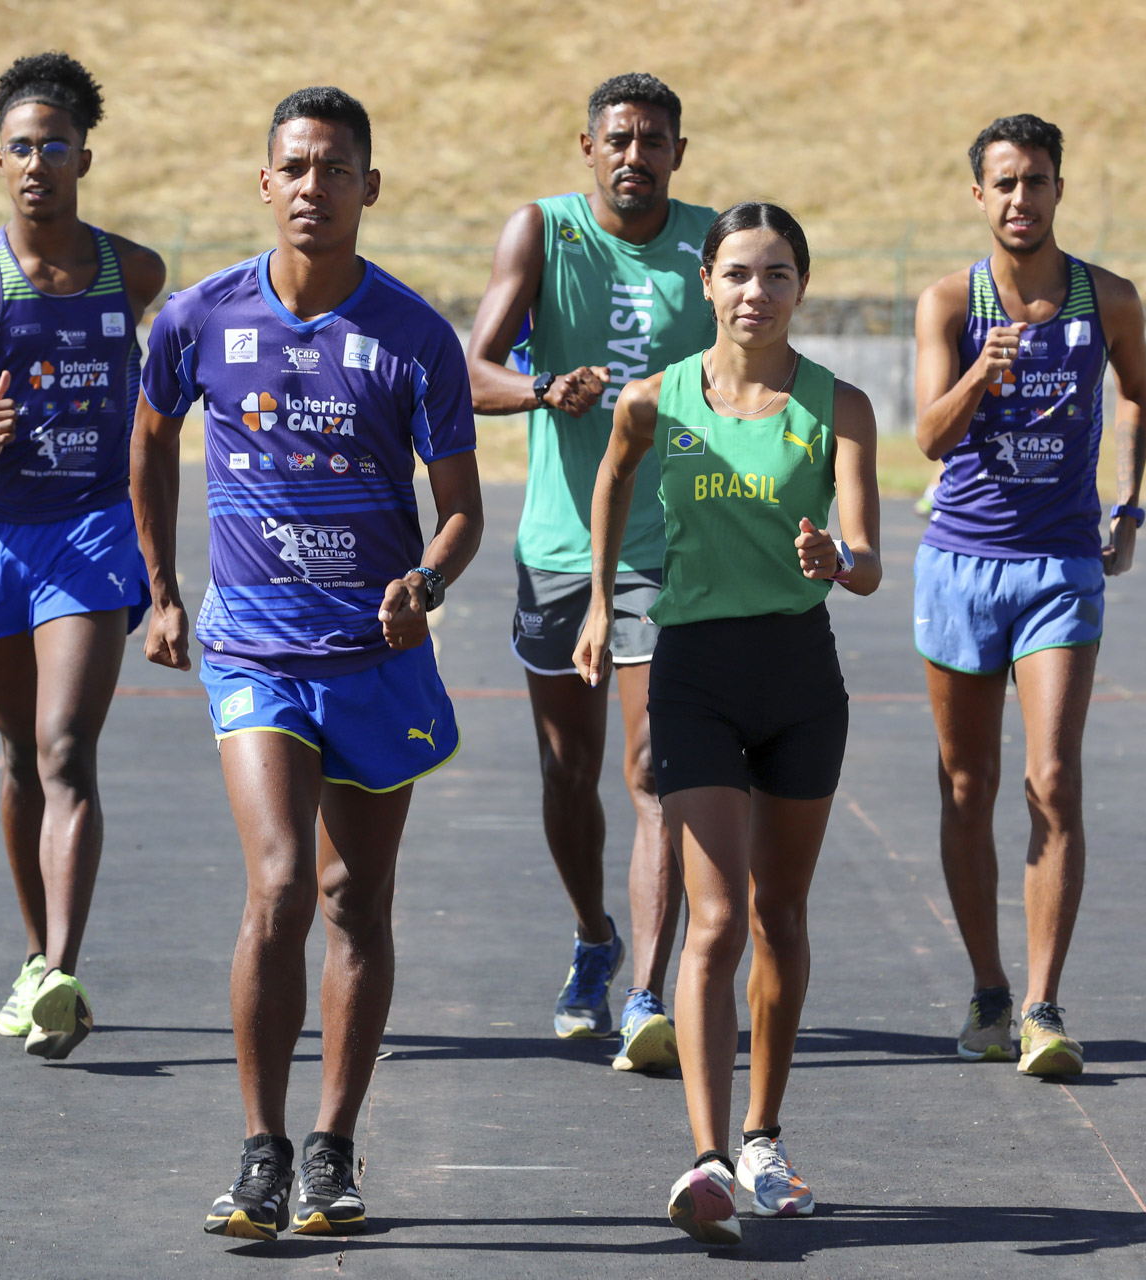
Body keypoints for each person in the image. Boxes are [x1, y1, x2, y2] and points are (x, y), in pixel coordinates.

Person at [131, 87, 482, 1242]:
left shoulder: (417, 336)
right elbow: (148, 444)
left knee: (353, 899)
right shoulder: (198, 318)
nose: (313, 186)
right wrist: (165, 588)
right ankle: (261, 1148)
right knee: (280, 881)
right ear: (264, 180)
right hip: (253, 649)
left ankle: (333, 1145)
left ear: (369, 187)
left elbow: (462, 513)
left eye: (336, 168)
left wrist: (425, 582)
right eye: (294, 166)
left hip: (372, 657)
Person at [577, 202, 881, 1245]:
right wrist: (595, 600)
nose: (758, 291)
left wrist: (838, 561)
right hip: (694, 671)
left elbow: (871, 557)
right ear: (706, 281)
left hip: (800, 677)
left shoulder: (840, 406)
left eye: (779, 274)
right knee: (712, 918)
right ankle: (706, 1156)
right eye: (740, 272)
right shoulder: (656, 399)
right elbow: (613, 477)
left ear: (802, 286)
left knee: (778, 916)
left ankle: (762, 1136)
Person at [0, 52, 164, 1061]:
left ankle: (62, 967)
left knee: (67, 747)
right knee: (19, 755)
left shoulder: (134, 273)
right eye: (21, 146)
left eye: (54, 145)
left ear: (84, 158)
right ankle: (33, 955)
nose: (37, 162)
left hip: (93, 532)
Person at [466, 72, 716, 1069]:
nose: (635, 156)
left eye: (654, 141)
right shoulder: (544, 233)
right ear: (588, 147)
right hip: (561, 549)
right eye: (619, 138)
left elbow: (754, 366)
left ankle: (649, 992)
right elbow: (466, 367)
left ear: (677, 155)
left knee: (655, 766)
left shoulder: (711, 245)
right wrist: (538, 388)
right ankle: (593, 937)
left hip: (672, 551)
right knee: (568, 773)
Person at [912, 114, 1146, 1077]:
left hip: (1059, 566)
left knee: (1053, 778)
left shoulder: (1109, 298)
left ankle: (1046, 1007)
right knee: (966, 788)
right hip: (961, 565)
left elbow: (1134, 392)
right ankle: (989, 993)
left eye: (1038, 181)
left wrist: (1128, 506)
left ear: (1060, 190)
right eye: (1004, 183)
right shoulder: (949, 301)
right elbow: (928, 436)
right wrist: (982, 369)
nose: (1022, 199)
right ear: (980, 195)